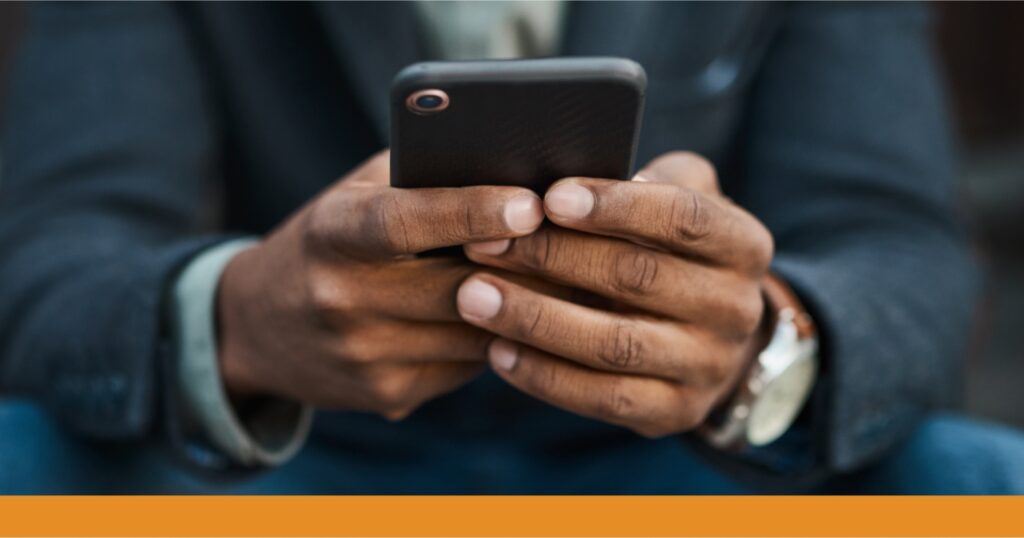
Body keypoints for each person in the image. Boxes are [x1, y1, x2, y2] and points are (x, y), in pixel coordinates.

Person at [1, 1, 1022, 494]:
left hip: (682, 452)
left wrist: (759, 348)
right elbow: (56, 244)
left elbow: (899, 245)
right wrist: (235, 323)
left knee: (984, 482)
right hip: (304, 448)